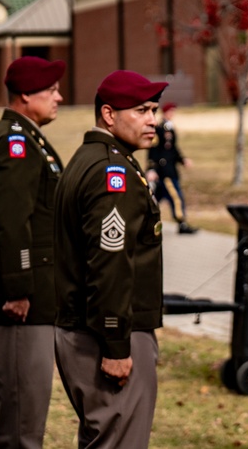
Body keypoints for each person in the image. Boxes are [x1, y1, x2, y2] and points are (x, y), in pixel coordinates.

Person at [53, 70, 168, 448]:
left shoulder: (92, 158)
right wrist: (116, 345)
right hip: (108, 336)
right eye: (140, 110)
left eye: (154, 109)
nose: (152, 119)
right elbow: (110, 263)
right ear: (108, 115)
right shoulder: (111, 172)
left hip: (90, 330)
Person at [0, 56, 65, 449]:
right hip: (17, 304)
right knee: (18, 428)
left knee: (28, 419)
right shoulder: (15, 144)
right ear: (26, 95)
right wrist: (18, 288)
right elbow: (12, 223)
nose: (59, 97)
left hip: (30, 299)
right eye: (51, 91)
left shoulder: (26, 138)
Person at [145, 102, 197, 234]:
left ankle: (145, 221)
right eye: (170, 111)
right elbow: (154, 150)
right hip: (164, 171)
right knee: (176, 196)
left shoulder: (170, 129)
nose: (172, 114)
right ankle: (182, 223)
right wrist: (152, 168)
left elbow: (173, 149)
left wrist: (182, 160)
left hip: (171, 169)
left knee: (156, 198)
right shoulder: (159, 129)